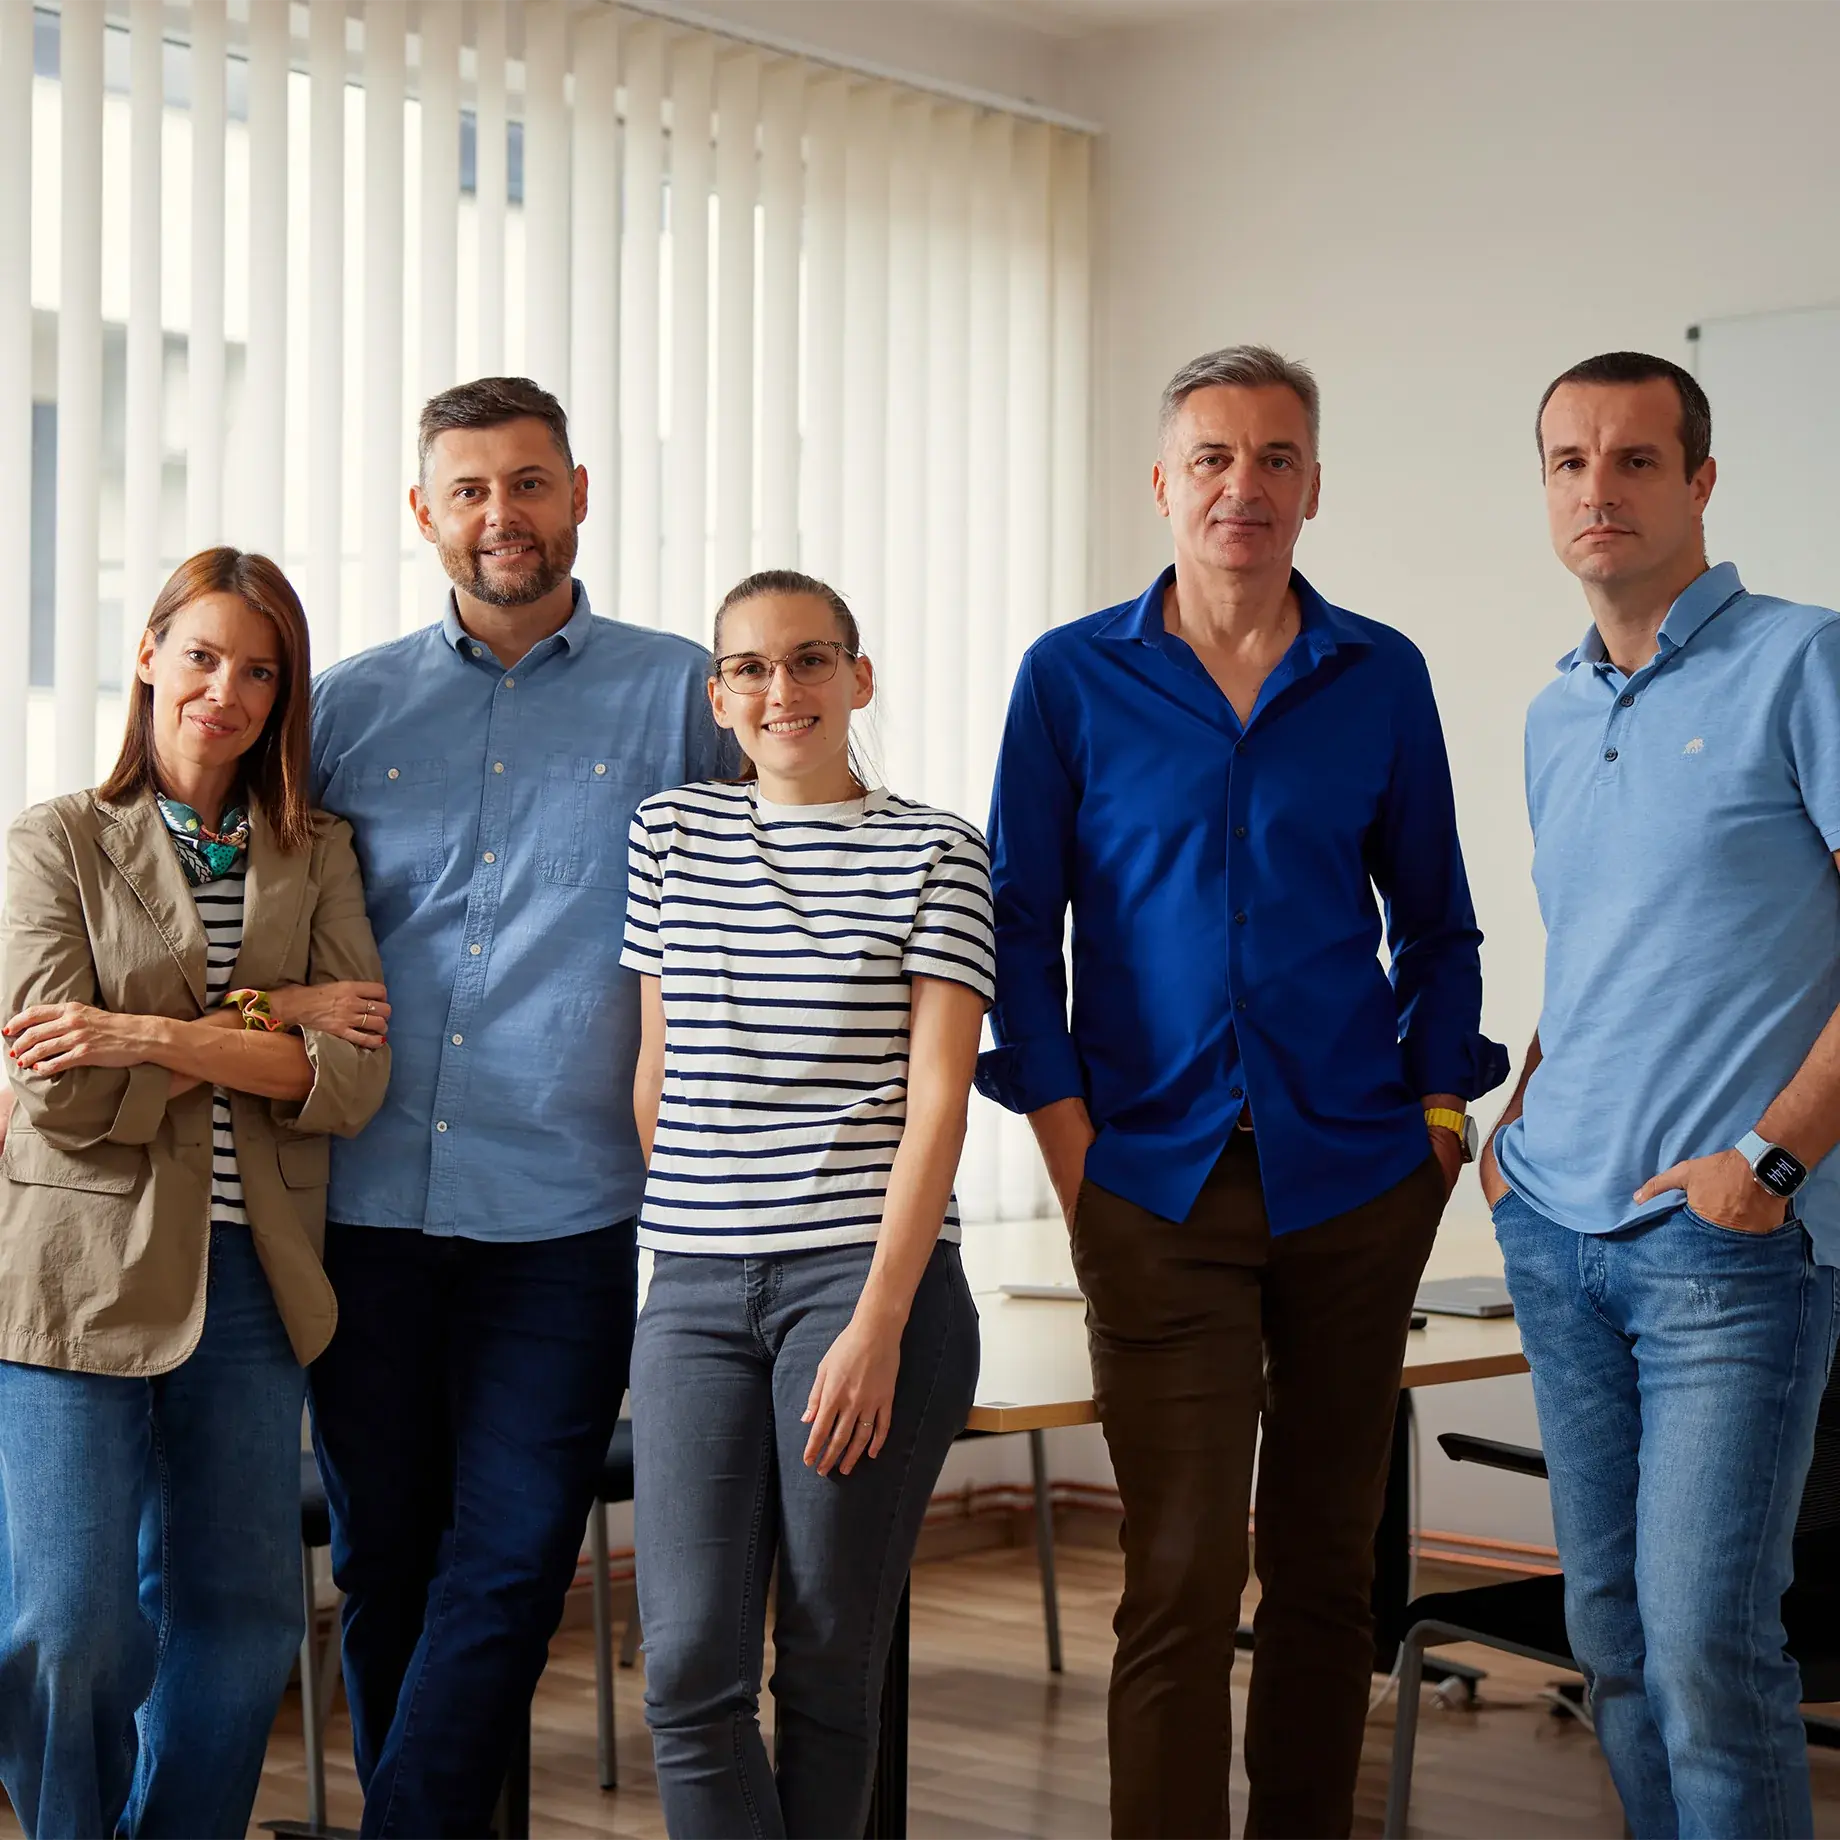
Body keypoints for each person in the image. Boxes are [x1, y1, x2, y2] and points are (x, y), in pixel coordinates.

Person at [978, 344, 1506, 1839]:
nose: (1243, 485)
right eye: (1212, 457)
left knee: (1329, 1573)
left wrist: (1440, 1122)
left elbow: (1440, 923)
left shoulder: (1379, 674)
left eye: (1275, 458)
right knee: (1185, 1575)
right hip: (1151, 1184)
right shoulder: (1071, 678)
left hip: (1357, 1183)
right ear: (1163, 485)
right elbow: (1021, 924)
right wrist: (1069, 1137)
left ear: (1314, 489)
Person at [306, 376, 734, 1836]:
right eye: (472, 489)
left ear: (579, 494)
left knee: (514, 1560)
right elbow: (241, 919)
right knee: (388, 1562)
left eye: (531, 482)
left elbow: (788, 878)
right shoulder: (343, 707)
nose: (505, 514)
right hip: (360, 1205)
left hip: (564, 1212)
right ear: (424, 513)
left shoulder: (685, 693)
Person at [1483, 351, 1840, 1840]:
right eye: (1570, 461)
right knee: (1614, 1649)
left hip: (1720, 1251)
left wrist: (1770, 1157)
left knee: (1708, 1651)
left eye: (1635, 460)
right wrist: (1520, 1116)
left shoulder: (1804, 658)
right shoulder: (1553, 714)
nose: (1598, 488)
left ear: (1699, 482)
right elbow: (1604, 949)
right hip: (1557, 1237)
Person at [0, 548, 389, 1840]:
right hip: (76, 1274)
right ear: (149, 655)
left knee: (245, 1619)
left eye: (261, 670)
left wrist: (146, 1037)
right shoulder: (55, 841)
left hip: (254, 1279)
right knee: (68, 1624)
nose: (227, 689)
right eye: (205, 654)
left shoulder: (313, 849)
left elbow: (348, 1078)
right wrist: (265, 1021)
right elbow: (54, 1083)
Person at [623, 569, 988, 1838]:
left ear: (859, 678)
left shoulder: (938, 847)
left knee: (830, 1664)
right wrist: (695, 1216)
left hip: (863, 1284)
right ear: (719, 696)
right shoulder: (666, 835)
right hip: (697, 1290)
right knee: (685, 1671)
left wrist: (878, 1324)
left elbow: (939, 1105)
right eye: (753, 669)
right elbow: (656, 1066)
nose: (784, 690)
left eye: (812, 660)